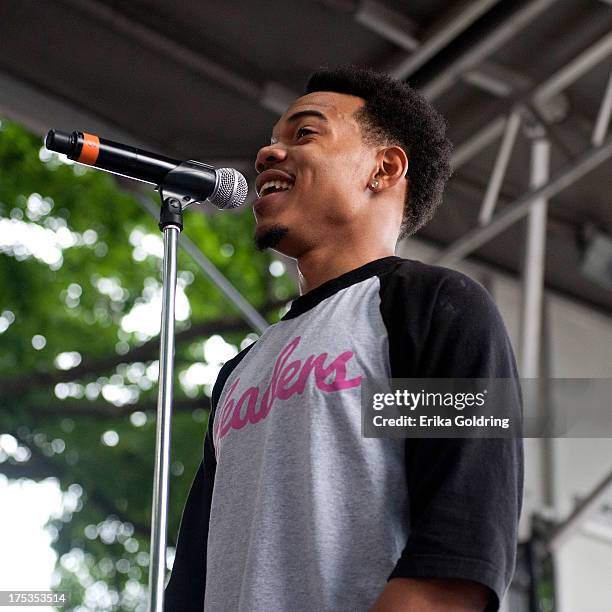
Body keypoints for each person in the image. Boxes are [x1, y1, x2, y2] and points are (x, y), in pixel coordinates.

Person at [164, 65, 523, 612]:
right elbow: (193, 581)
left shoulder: (432, 308)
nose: (267, 154)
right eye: (270, 141)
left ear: (384, 167)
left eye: (303, 134)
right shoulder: (239, 373)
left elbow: (455, 562)